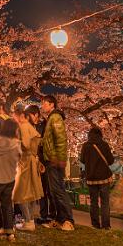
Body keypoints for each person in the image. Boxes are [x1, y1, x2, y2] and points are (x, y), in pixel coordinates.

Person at [40, 94, 74, 231]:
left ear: (51, 104)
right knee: (54, 191)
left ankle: (68, 221)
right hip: (51, 159)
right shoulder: (51, 118)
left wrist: (60, 159)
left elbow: (61, 139)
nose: (42, 106)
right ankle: (59, 220)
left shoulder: (55, 117)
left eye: (44, 103)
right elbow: (49, 140)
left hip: (54, 161)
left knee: (58, 190)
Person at [13, 107, 44, 232]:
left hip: (25, 162)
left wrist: (16, 142)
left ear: (21, 116)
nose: (14, 119)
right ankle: (30, 221)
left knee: (20, 193)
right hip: (32, 160)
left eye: (15, 116)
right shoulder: (31, 127)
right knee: (31, 193)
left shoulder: (23, 126)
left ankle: (27, 221)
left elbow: (25, 145)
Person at [79, 127, 115, 229]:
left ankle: (95, 224)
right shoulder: (104, 145)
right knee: (105, 202)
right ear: (100, 134)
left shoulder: (86, 146)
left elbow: (82, 160)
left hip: (91, 177)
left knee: (93, 202)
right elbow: (111, 161)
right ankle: (106, 225)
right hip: (104, 177)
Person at [25, 104, 51, 224]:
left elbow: (44, 142)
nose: (30, 118)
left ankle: (48, 214)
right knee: (37, 189)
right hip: (33, 160)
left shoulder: (43, 125)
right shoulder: (29, 126)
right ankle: (39, 215)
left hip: (42, 160)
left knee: (45, 189)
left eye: (31, 115)